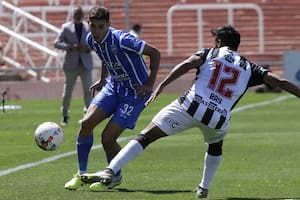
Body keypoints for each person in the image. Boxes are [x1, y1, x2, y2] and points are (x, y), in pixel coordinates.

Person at [80, 25, 300, 198]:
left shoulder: (211, 52)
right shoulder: (250, 67)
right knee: (215, 146)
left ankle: (111, 170)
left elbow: (187, 64)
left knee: (146, 136)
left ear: (220, 41)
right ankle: (204, 188)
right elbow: (279, 80)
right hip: (218, 119)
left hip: (190, 106)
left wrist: (162, 85)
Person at [64, 6, 160, 191]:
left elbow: (155, 53)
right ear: (89, 25)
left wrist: (149, 84)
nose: (97, 31)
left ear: (109, 24)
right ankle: (81, 174)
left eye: (101, 26)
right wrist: (102, 79)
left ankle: (114, 176)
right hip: (114, 86)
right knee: (86, 124)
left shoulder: (124, 40)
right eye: (93, 26)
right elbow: (106, 58)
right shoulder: (91, 40)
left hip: (134, 94)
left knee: (107, 139)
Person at [54, 5, 93, 126]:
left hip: (85, 63)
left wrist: (87, 49)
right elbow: (57, 43)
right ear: (72, 15)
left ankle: (88, 116)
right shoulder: (66, 27)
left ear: (83, 15)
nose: (78, 16)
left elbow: (94, 42)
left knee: (88, 90)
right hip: (71, 64)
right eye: (76, 14)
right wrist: (70, 47)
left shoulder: (88, 27)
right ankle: (65, 115)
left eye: (80, 14)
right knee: (67, 92)